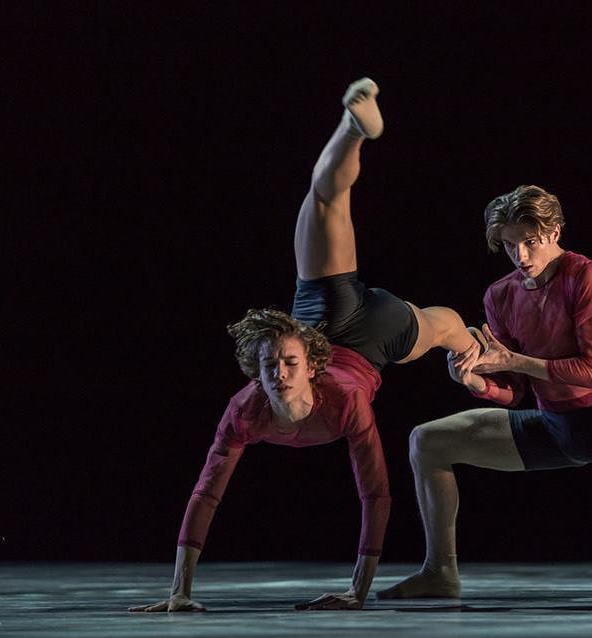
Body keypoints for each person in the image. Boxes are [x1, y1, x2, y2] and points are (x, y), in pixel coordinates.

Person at [129, 78, 484, 613]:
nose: (278, 375)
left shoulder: (343, 401)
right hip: (376, 343)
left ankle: (352, 128)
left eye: (287, 364)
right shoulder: (245, 411)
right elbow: (206, 494)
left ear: (307, 364)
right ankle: (465, 340)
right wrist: (180, 591)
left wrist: (356, 592)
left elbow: (374, 495)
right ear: (257, 370)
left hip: (326, 316)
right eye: (268, 367)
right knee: (432, 329)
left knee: (325, 202)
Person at [377, 185, 592, 603]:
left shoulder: (584, 275)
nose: (521, 256)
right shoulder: (499, 294)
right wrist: (474, 381)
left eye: (530, 242)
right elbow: (514, 393)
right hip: (549, 424)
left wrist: (512, 360)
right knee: (427, 439)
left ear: (555, 231)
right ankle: (439, 571)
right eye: (510, 245)